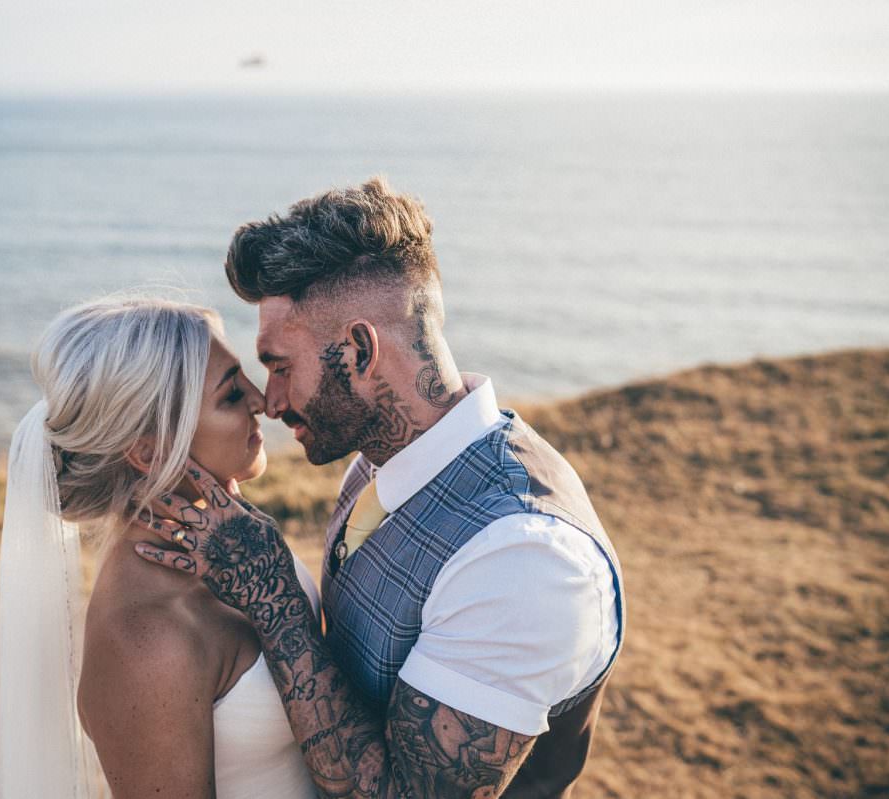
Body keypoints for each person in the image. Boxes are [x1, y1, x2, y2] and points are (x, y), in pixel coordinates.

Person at [137, 177, 626, 798]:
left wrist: (275, 599)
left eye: (281, 366)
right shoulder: (380, 457)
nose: (272, 401)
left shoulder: (523, 559)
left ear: (361, 349)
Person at [0, 296, 322, 798]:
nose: (263, 401)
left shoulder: (238, 540)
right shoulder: (145, 636)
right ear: (150, 450)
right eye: (231, 396)